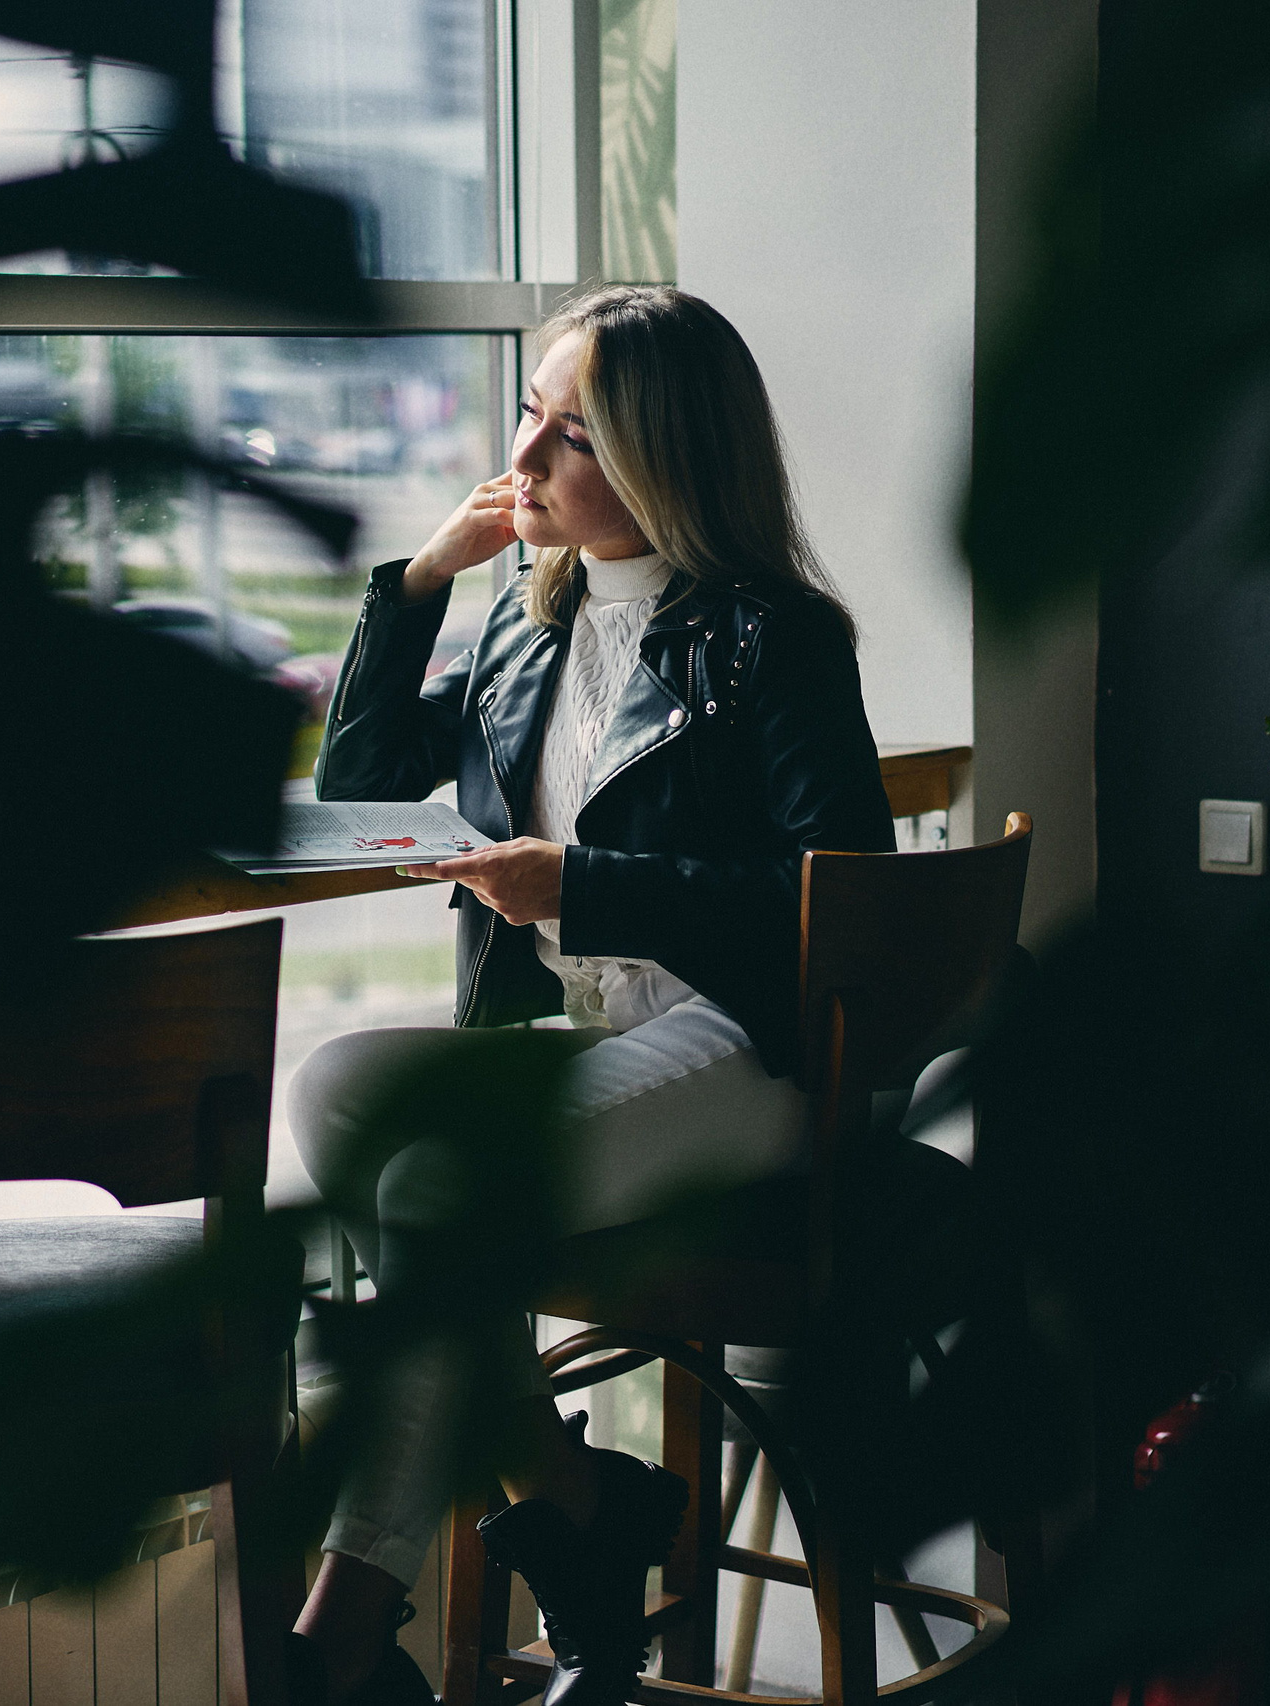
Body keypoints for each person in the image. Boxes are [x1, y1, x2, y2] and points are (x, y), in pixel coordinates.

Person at [290, 285, 894, 1706]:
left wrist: (587, 886)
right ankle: (565, 1490)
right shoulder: (523, 624)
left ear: (664, 456)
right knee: (328, 1091)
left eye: (577, 432)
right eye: (533, 418)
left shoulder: (771, 637)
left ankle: (345, 1612)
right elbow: (359, 781)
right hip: (574, 1045)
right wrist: (423, 579)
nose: (535, 455)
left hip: (741, 1045)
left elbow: (835, 895)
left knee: (439, 1188)